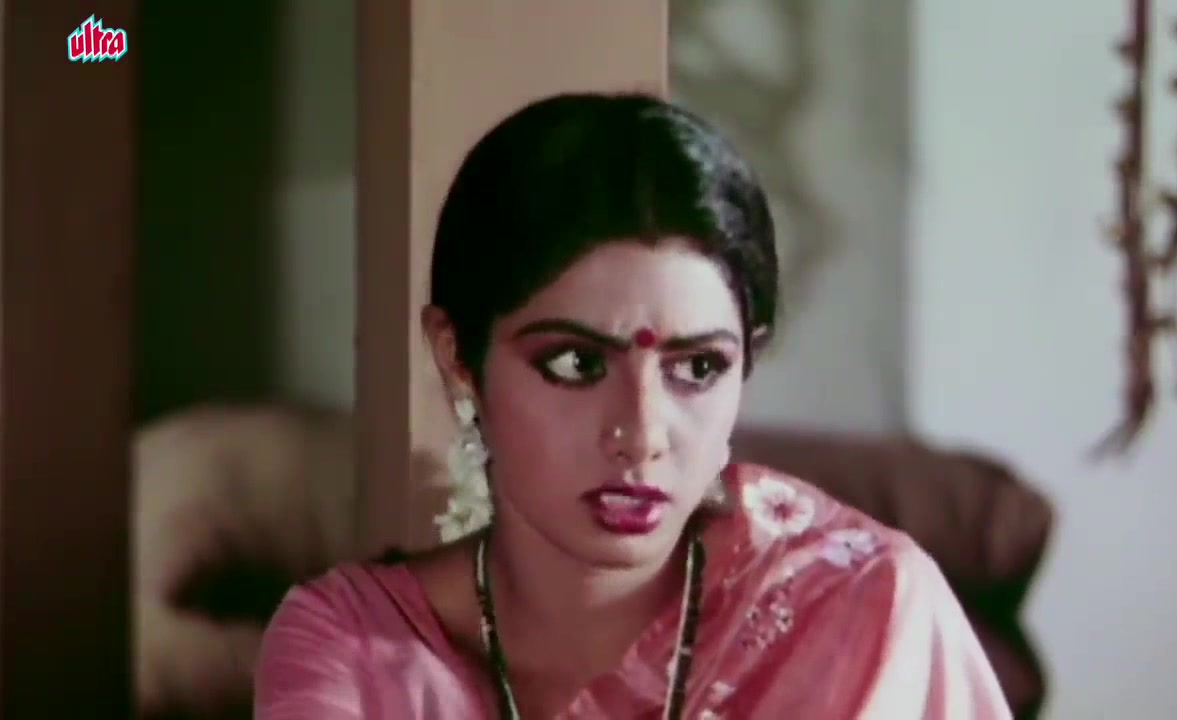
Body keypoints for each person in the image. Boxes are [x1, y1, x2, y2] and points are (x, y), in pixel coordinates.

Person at [253, 92, 1012, 719]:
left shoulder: (861, 612)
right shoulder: (354, 652)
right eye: (577, 363)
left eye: (699, 367)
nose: (642, 434)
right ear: (457, 356)